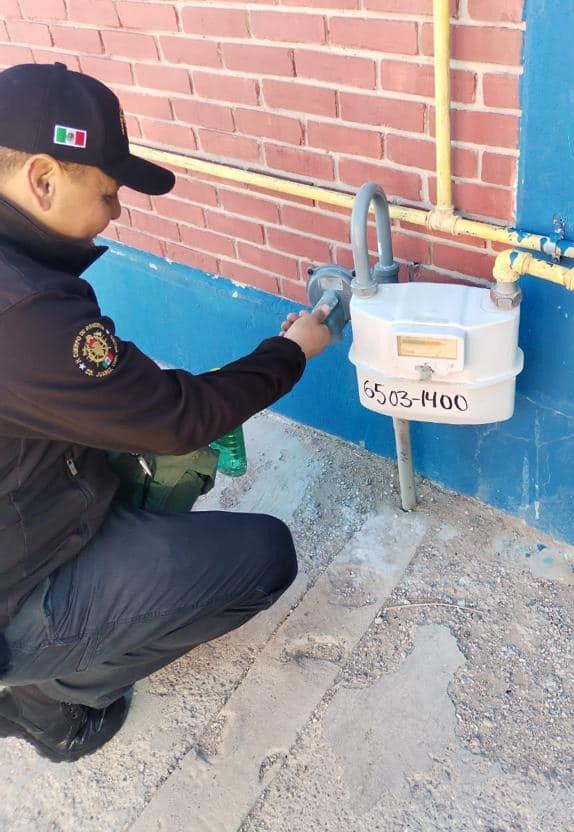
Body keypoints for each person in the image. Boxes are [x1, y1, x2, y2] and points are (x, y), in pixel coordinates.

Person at [0, 62, 331, 763]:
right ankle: (47, 701)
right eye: (108, 192)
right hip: (13, 588)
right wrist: (292, 351)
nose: (116, 212)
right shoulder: (22, 310)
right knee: (262, 557)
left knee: (152, 452)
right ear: (43, 180)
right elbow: (180, 419)